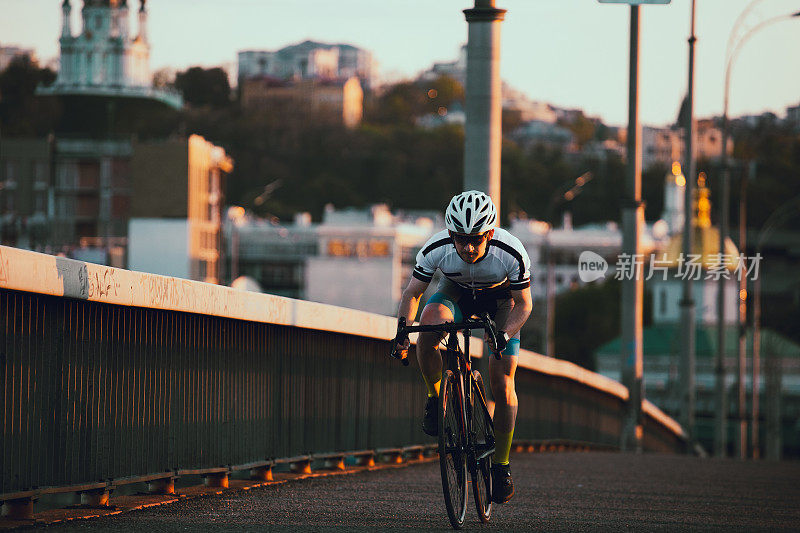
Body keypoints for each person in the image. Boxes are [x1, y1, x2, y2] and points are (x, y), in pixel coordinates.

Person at [394, 190, 532, 504]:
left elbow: (524, 305)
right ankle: (435, 396)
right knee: (429, 326)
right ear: (450, 234)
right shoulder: (437, 247)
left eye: (476, 240)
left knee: (502, 381)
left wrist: (505, 335)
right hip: (455, 292)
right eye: (460, 239)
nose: (467, 247)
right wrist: (402, 331)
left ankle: (501, 466)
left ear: (491, 234)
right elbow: (412, 294)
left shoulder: (510, 251)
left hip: (500, 301)